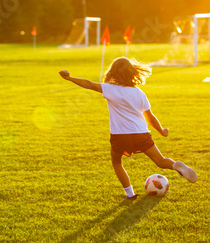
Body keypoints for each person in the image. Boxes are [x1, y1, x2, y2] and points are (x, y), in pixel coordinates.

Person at [59, 57, 197, 200]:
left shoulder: (109, 89)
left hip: (120, 136)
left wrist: (69, 78)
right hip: (141, 134)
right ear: (132, 73)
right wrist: (162, 131)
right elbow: (150, 117)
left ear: (112, 72)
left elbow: (88, 84)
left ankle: (130, 194)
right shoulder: (139, 93)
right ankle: (175, 165)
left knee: (117, 162)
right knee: (160, 161)